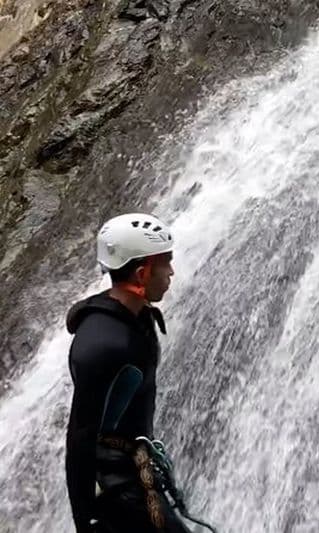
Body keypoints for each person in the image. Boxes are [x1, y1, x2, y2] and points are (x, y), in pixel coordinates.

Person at [65, 212, 191, 532]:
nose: (172, 272)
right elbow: (80, 438)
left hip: (135, 469)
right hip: (118, 486)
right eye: (166, 263)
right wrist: (87, 519)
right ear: (141, 272)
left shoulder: (133, 318)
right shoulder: (105, 343)